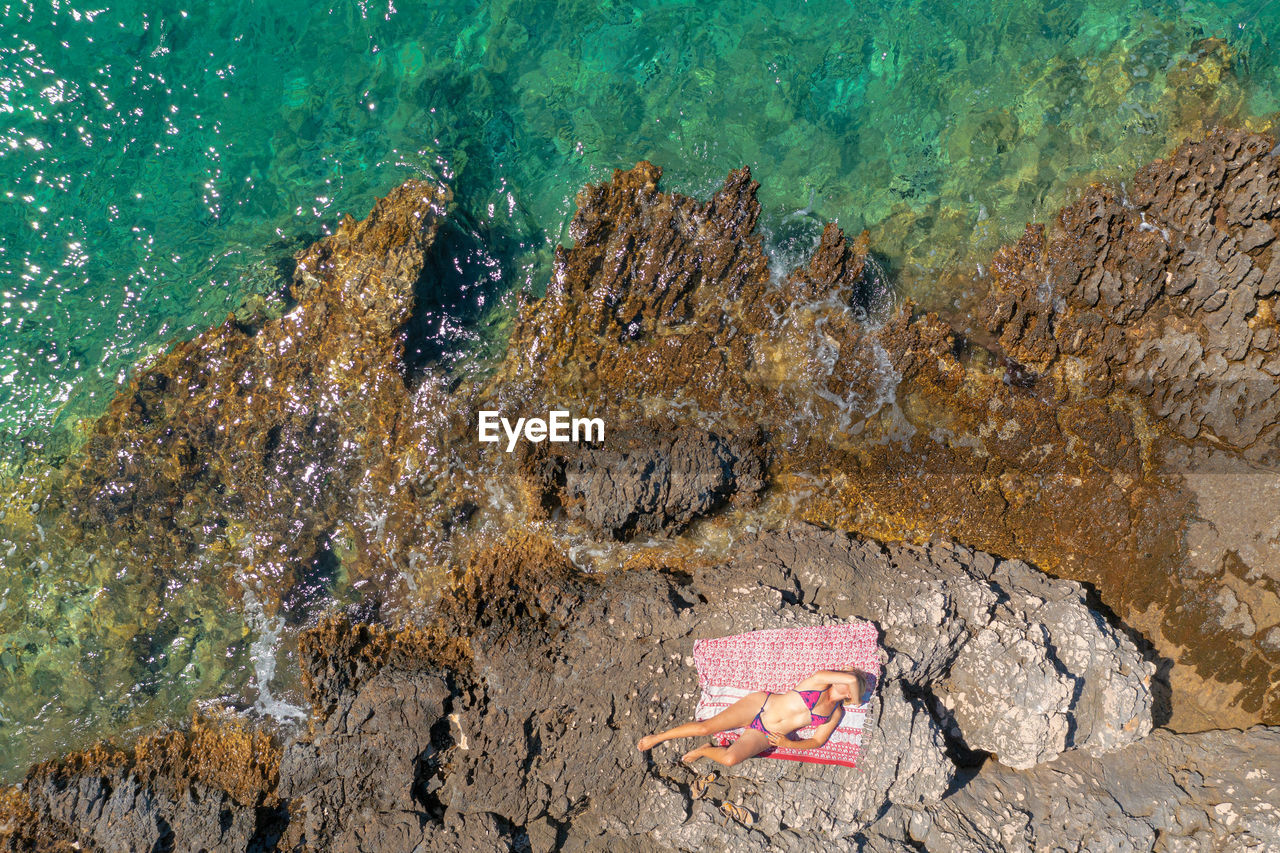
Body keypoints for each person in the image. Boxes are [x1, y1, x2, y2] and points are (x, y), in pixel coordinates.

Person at [636, 669, 870, 767]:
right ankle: (659, 737)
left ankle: (704, 750)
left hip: (767, 734)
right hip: (761, 705)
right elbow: (851, 684)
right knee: (704, 728)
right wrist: (853, 681)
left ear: (852, 691)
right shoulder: (819, 681)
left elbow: (818, 741)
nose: (845, 679)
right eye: (845, 676)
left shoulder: (835, 712)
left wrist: (789, 744)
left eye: (850, 681)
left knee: (729, 760)